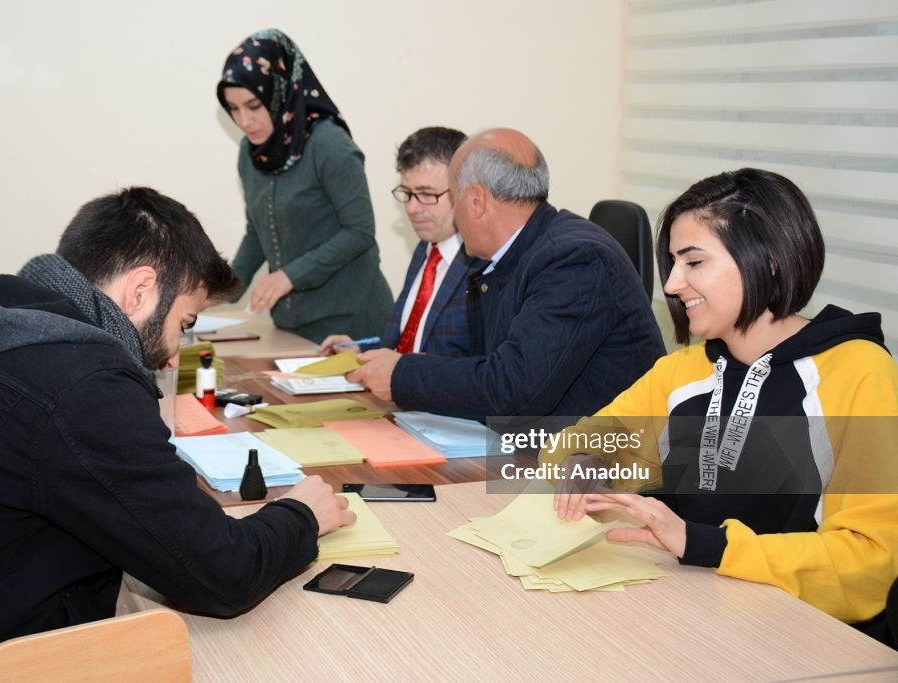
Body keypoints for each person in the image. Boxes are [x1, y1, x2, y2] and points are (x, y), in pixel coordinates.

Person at [0, 187, 355, 674]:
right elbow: (220, 577)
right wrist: (301, 516)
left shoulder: (5, 334)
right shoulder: (79, 380)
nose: (172, 357)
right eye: (182, 323)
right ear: (141, 289)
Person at [549, 168, 898, 630]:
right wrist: (584, 462)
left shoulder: (858, 373)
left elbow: (871, 561)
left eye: (693, 263)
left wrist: (704, 544)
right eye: (672, 264)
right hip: (691, 612)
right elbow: (583, 442)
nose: (672, 284)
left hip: (806, 631)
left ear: (769, 259)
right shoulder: (684, 370)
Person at [348, 128, 665, 420]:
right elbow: (484, 368)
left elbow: (514, 388)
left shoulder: (572, 259)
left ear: (475, 201)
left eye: (454, 201)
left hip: (599, 465)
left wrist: (402, 375)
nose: (455, 218)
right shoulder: (513, 255)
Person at [217, 28, 392, 343]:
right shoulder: (249, 152)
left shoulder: (329, 144)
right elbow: (257, 231)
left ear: (280, 90)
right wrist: (221, 289)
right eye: (234, 109)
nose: (243, 121)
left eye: (254, 106)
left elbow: (360, 231)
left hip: (350, 322)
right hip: (289, 324)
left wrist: (289, 276)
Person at [319, 126, 485, 358]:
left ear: (463, 192)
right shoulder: (424, 251)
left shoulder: (484, 265)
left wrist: (417, 372)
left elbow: (485, 366)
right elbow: (406, 345)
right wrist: (360, 349)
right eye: (407, 193)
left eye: (427, 194)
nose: (412, 208)